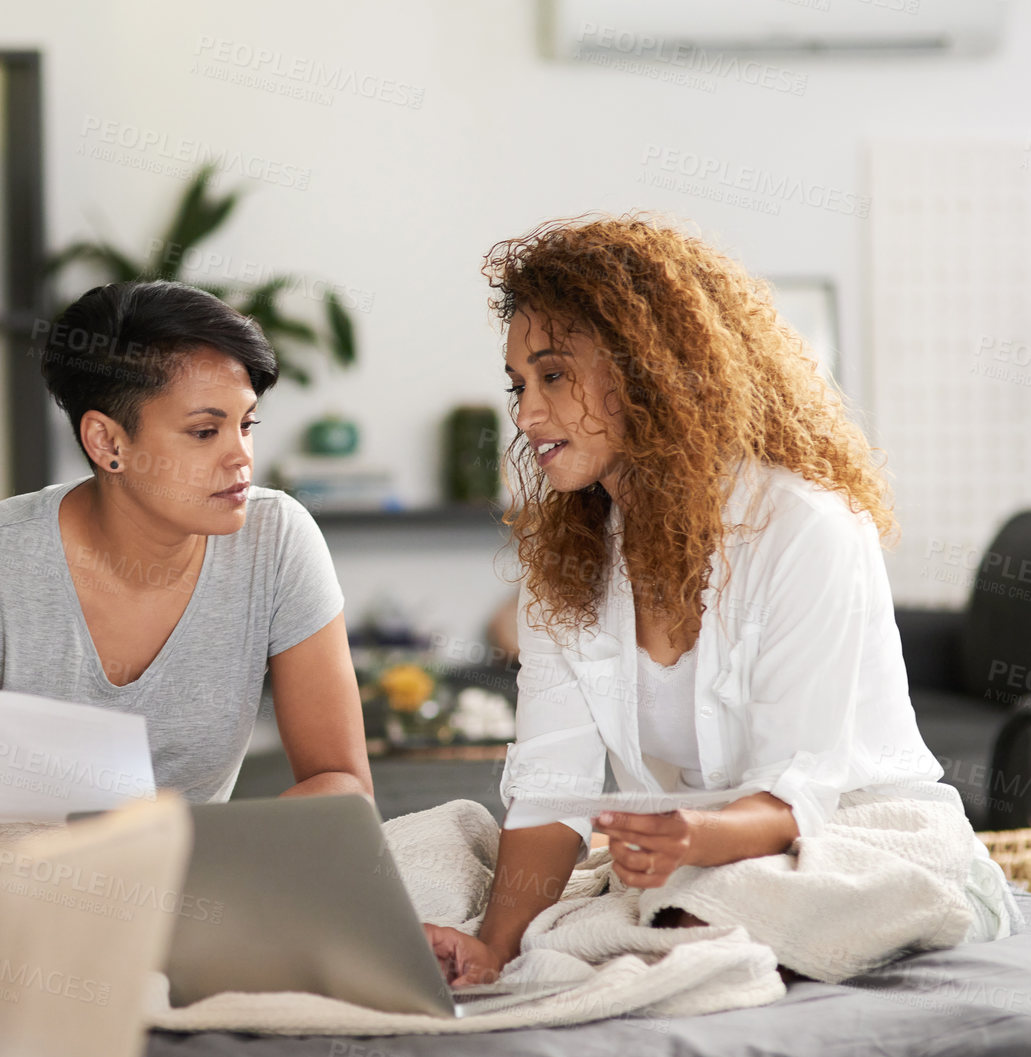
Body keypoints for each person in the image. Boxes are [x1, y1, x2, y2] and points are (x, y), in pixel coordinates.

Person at [425, 215, 1007, 986]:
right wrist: (492, 949)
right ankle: (631, 932)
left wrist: (693, 839)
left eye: (553, 375)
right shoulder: (566, 564)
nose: (526, 414)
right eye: (519, 385)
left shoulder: (804, 527)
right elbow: (549, 793)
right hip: (697, 863)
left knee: (697, 909)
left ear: (645, 368)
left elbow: (794, 795)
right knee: (423, 850)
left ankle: (643, 933)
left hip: (864, 844)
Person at [0, 280, 372, 852]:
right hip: (3, 888)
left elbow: (345, 785)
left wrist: (211, 853)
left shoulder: (276, 540)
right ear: (107, 442)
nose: (241, 457)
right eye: (205, 432)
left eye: (247, 424)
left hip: (191, 880)